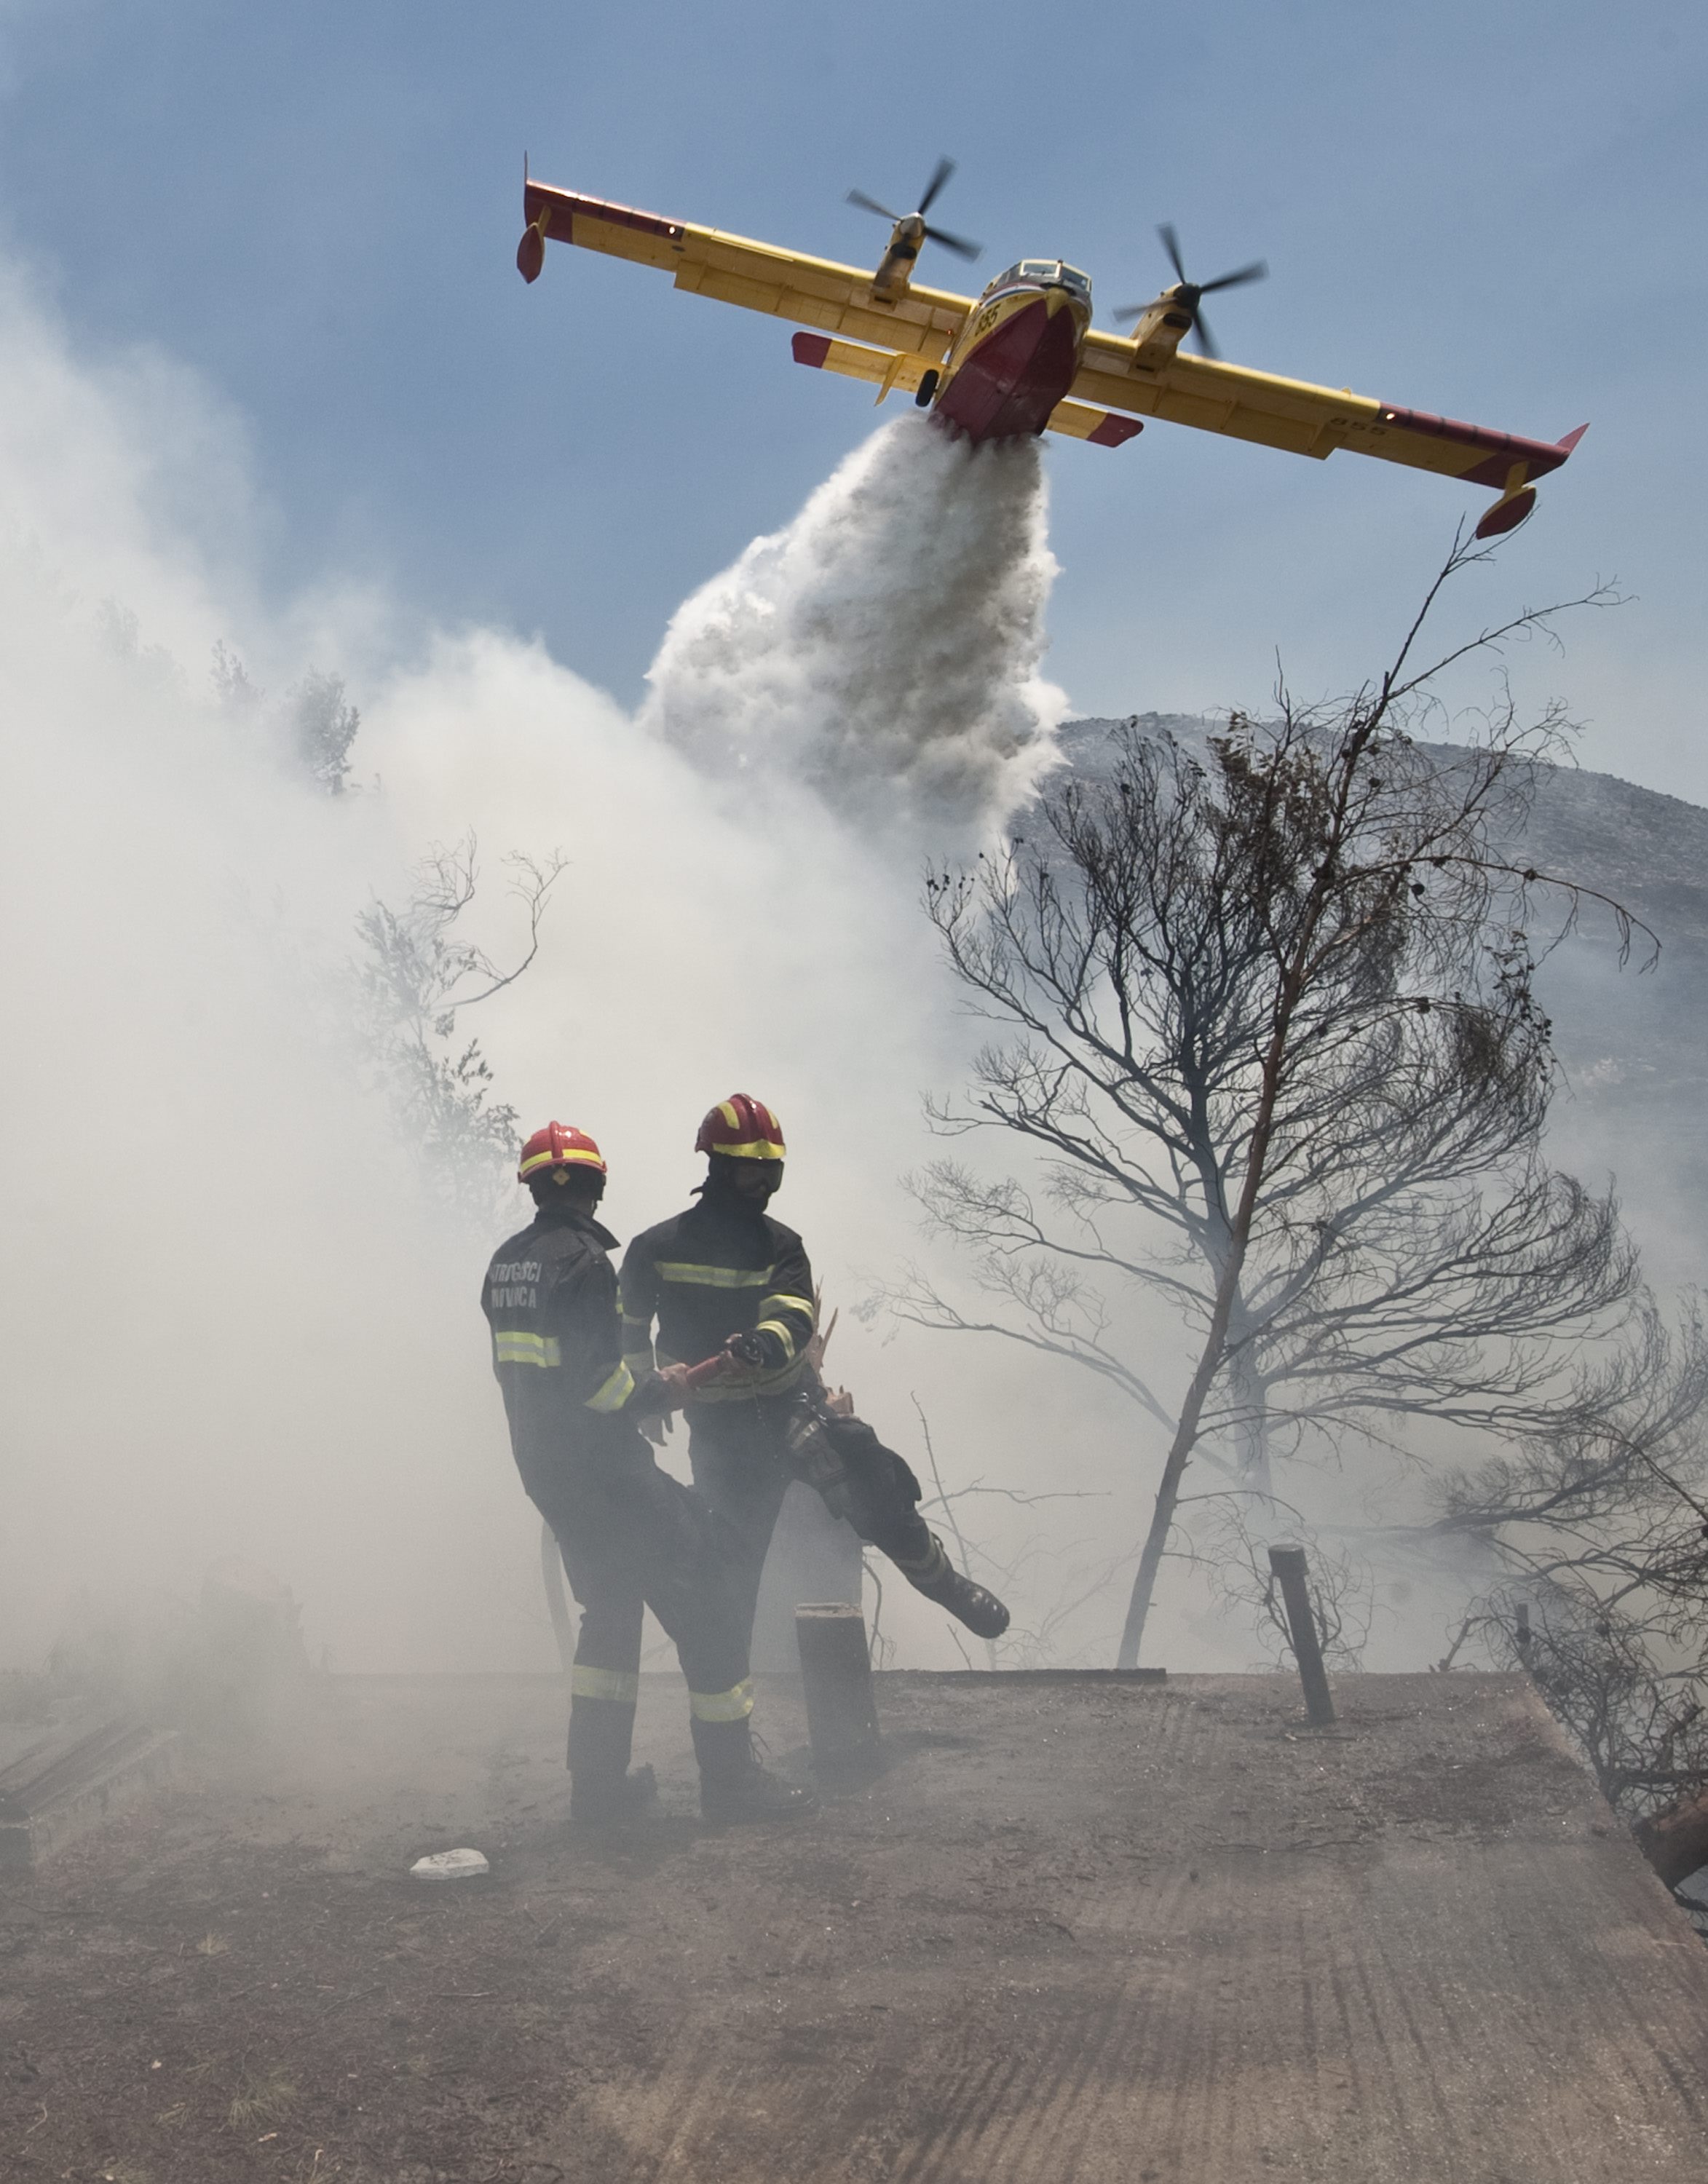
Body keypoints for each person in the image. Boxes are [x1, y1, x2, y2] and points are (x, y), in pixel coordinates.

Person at [481, 1120, 815, 1826]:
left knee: (609, 1616)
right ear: (596, 1184)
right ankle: (731, 1785)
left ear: (534, 1184)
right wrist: (660, 1390)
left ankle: (597, 1793)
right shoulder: (583, 1264)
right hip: (608, 1474)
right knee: (714, 1594)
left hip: (548, 1474)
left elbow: (537, 1381)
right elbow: (597, 1385)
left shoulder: (507, 1264)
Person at [617, 1095, 1011, 1655]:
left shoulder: (781, 1245)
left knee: (878, 1490)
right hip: (723, 1435)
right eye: (753, 1173)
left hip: (790, 1410)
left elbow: (795, 1318)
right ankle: (730, 1696)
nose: (764, 1186)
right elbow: (627, 1328)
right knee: (729, 1572)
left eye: (770, 1172)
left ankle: (948, 1586)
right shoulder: (654, 1249)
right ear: (720, 1169)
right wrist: (647, 1396)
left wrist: (763, 1345)